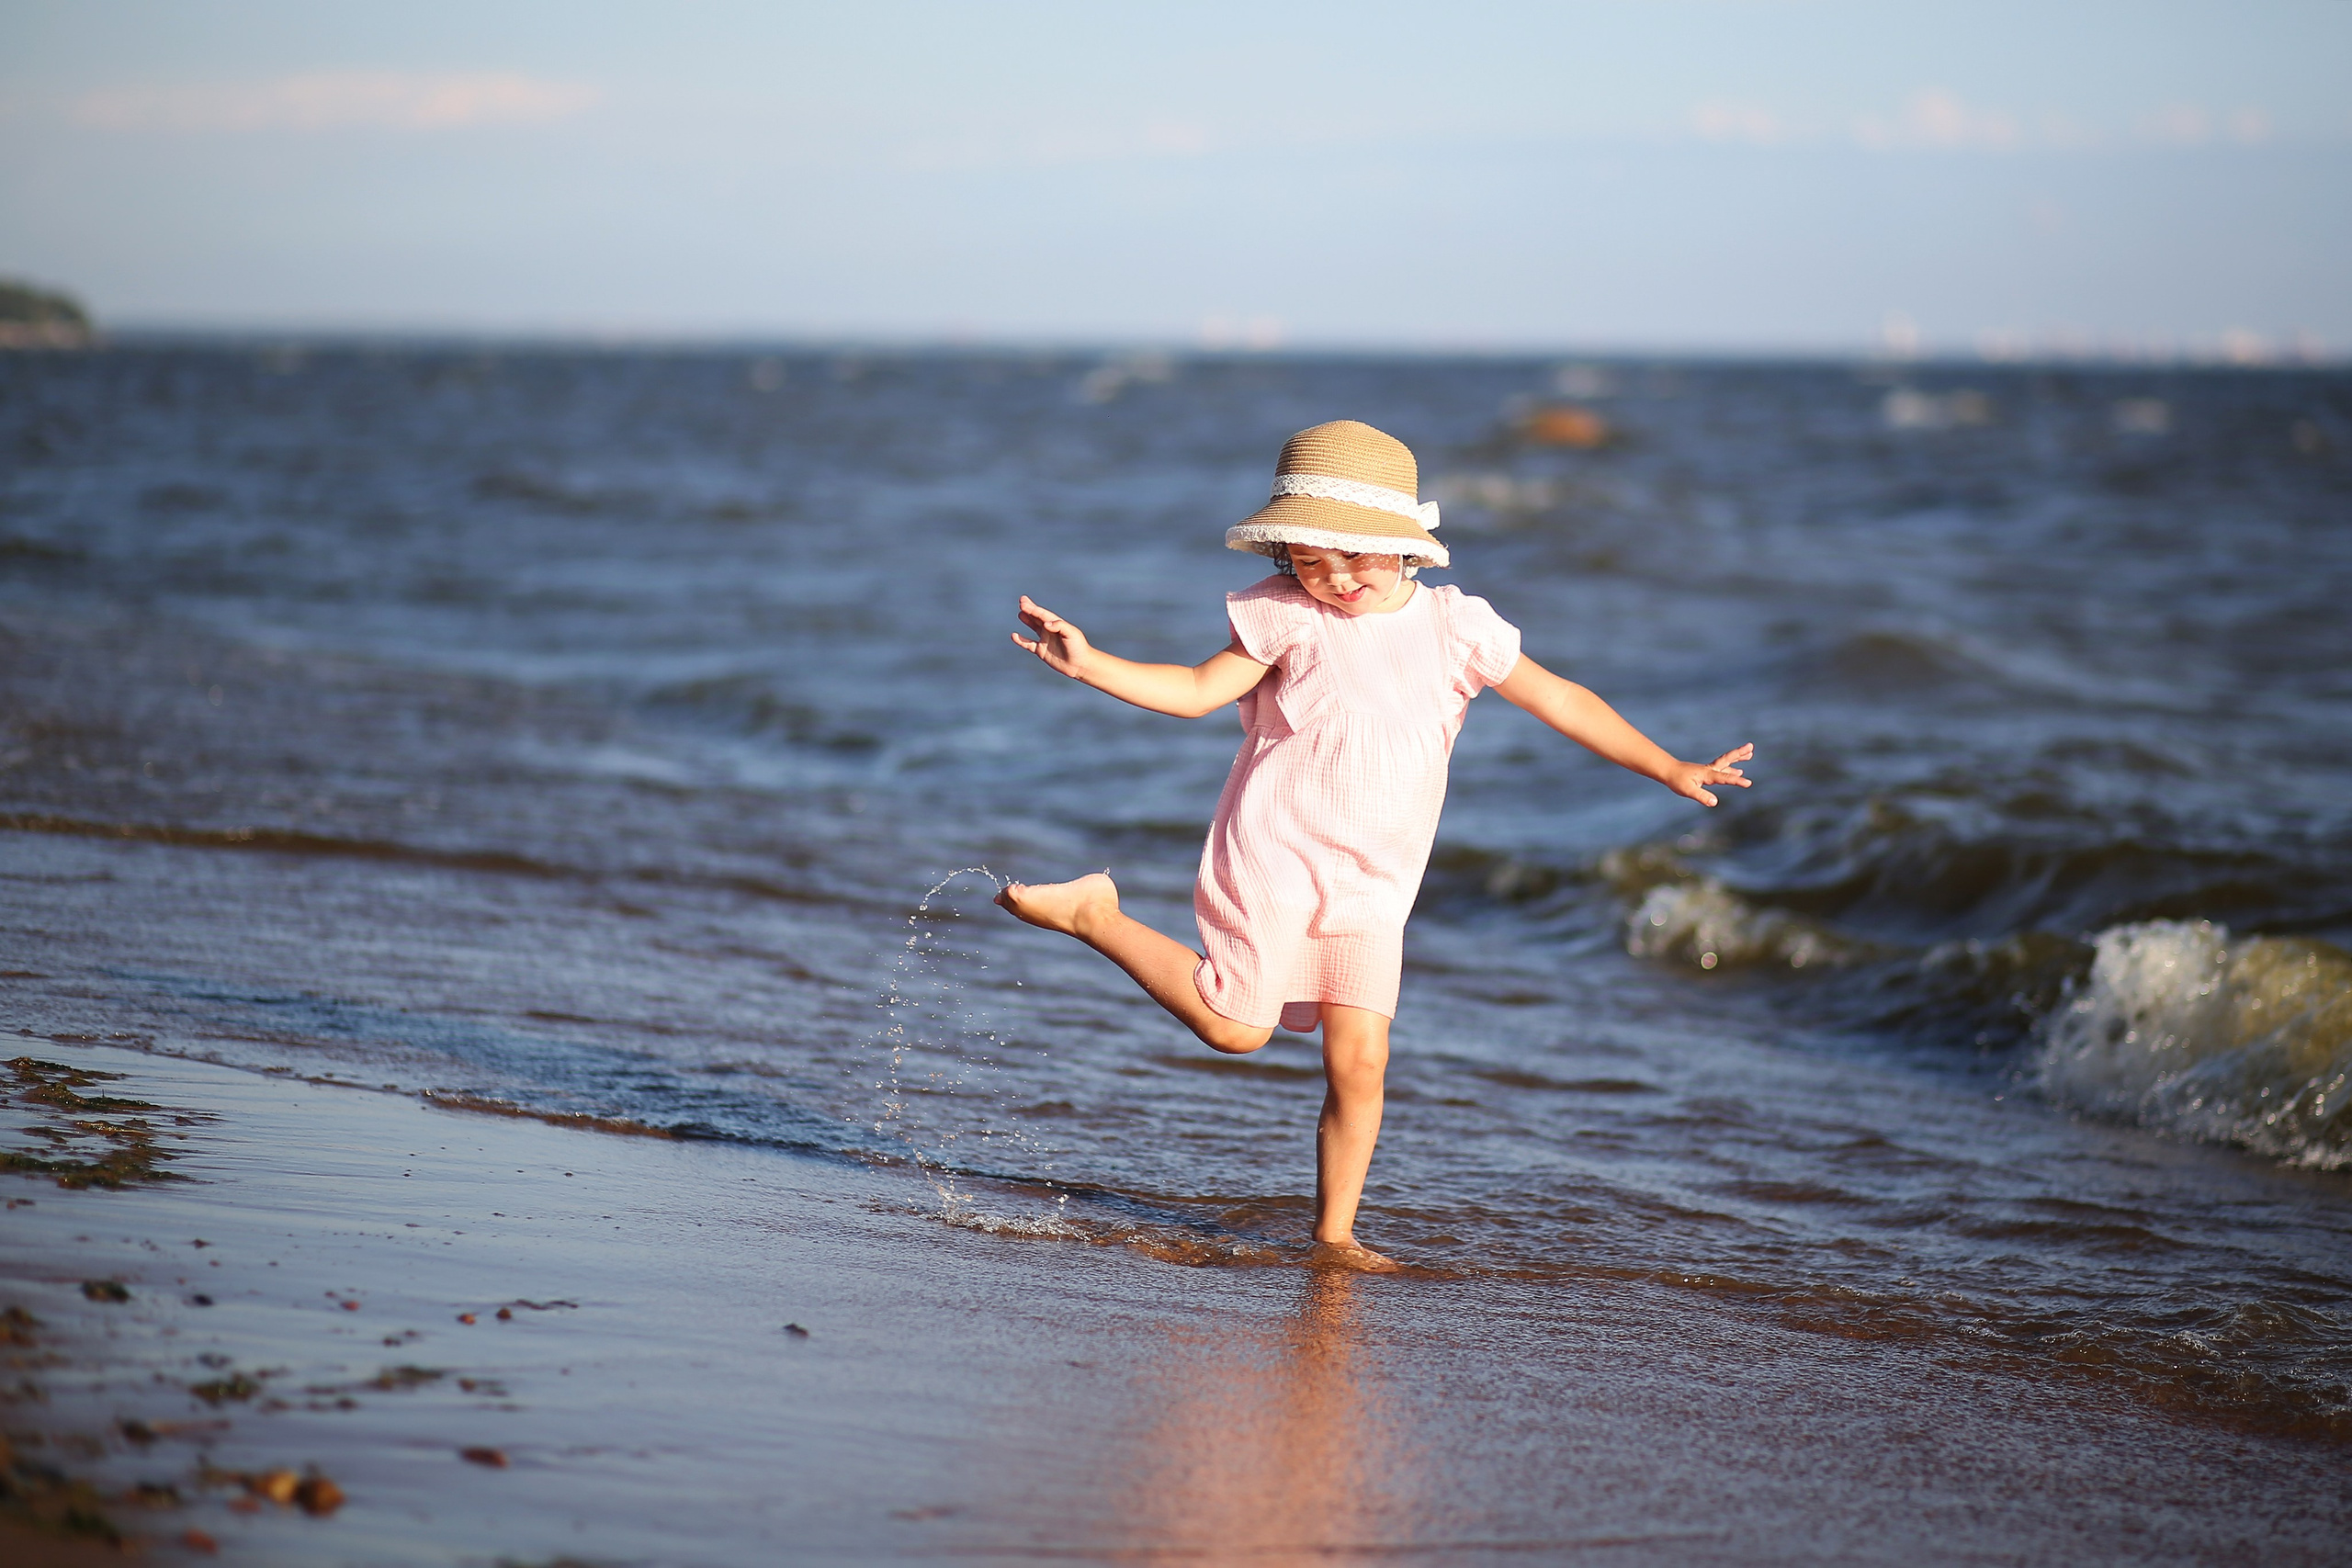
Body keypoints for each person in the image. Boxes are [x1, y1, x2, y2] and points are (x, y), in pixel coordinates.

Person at [997, 420, 1752, 1270]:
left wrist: (1666, 765)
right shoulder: (1288, 617)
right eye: (1310, 562)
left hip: (1376, 883)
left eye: (1354, 558)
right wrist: (1090, 661)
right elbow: (1198, 690)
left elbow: (1564, 699)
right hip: (1278, 851)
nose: (1335, 580)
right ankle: (1097, 914)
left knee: (1361, 1058)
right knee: (1237, 1028)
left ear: (1403, 548)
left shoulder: (1458, 627)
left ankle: (1335, 1236)